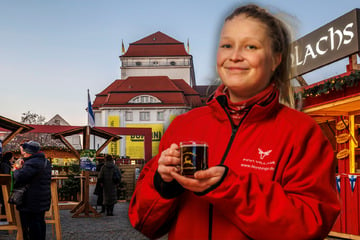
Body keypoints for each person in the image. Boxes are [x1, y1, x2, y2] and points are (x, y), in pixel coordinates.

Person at [128, 4, 340, 240]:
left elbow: (309, 226)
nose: (235, 56)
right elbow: (144, 222)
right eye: (227, 45)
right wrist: (163, 184)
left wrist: (229, 188)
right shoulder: (184, 125)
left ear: (275, 59)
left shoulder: (301, 132)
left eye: (251, 46)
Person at [12, 140, 51, 240]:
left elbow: (20, 177)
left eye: (23, 151)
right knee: (39, 223)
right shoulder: (45, 161)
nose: (22, 153)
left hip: (30, 201)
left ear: (28, 151)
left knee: (31, 227)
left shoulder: (32, 162)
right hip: (41, 199)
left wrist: (16, 169)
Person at [0, 151, 13, 219]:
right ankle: (7, 216)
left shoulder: (5, 164)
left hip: (3, 185)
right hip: (4, 185)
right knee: (5, 200)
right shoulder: (5, 165)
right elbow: (6, 175)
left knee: (4, 201)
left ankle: (6, 215)